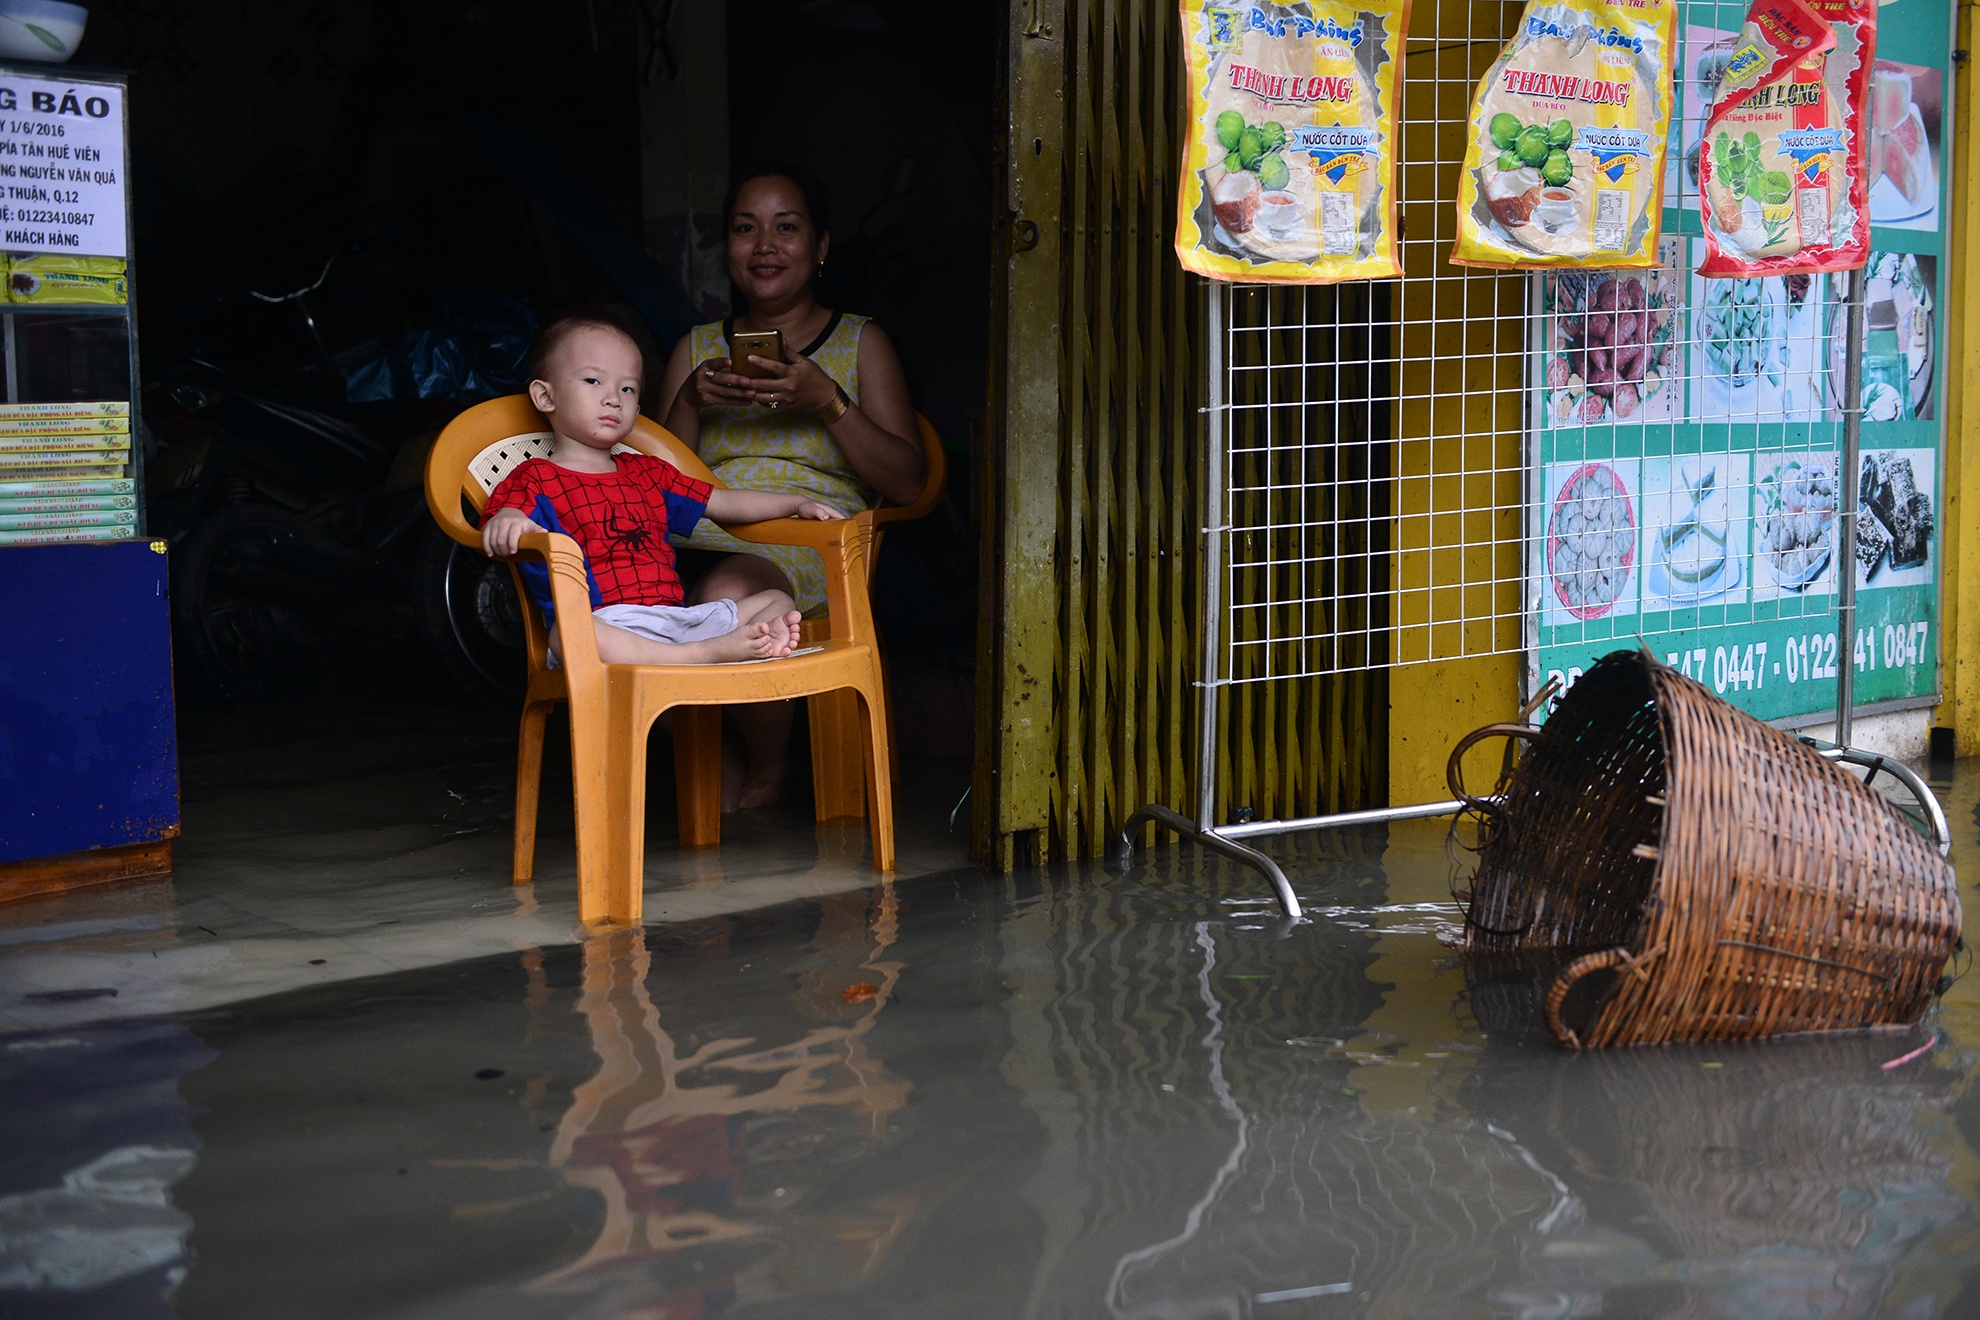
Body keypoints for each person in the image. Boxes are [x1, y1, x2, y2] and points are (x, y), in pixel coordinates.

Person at [656, 165, 925, 809]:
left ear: (822, 245)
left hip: (806, 544)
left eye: (787, 227)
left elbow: (909, 482)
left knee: (727, 592)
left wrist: (825, 399)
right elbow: (652, 482)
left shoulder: (860, 342)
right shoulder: (694, 349)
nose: (765, 245)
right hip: (691, 535)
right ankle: (709, 748)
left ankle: (767, 765)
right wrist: (691, 400)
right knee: (619, 583)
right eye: (746, 229)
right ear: (727, 247)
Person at [480, 312, 843, 666]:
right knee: (566, 635)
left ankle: (737, 645)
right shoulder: (534, 477)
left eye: (627, 388)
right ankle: (703, 656)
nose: (613, 398)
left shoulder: (647, 472)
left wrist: (795, 502)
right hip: (606, 626)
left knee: (776, 600)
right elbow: (503, 520)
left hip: (676, 621)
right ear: (546, 397)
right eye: (593, 381)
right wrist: (509, 519)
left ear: (638, 406)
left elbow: (721, 501)